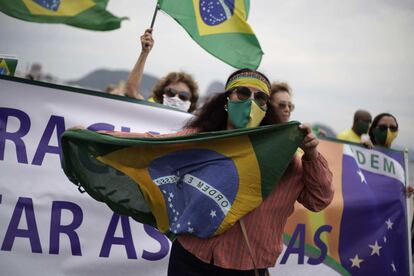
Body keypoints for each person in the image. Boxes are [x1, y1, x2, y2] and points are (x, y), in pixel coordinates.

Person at [106, 68, 333, 275]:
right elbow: (150, 146)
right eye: (242, 93)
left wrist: (312, 155)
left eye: (260, 98)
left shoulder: (284, 159)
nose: (251, 102)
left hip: (247, 267)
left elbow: (319, 200)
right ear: (227, 100)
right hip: (191, 260)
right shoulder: (201, 139)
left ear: (265, 108)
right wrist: (99, 139)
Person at [125, 29, 199, 112]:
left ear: (191, 100)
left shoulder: (196, 123)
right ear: (162, 93)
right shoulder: (151, 110)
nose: (176, 98)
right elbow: (131, 92)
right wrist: (144, 52)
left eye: (184, 96)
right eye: (171, 92)